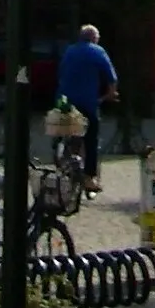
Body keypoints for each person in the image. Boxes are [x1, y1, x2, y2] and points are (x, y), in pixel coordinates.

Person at [56, 23, 117, 192]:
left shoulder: (69, 51)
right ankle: (89, 178)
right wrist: (111, 94)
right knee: (91, 138)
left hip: (63, 100)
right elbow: (111, 78)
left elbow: (61, 73)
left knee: (65, 130)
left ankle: (60, 155)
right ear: (94, 39)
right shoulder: (98, 51)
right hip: (86, 102)